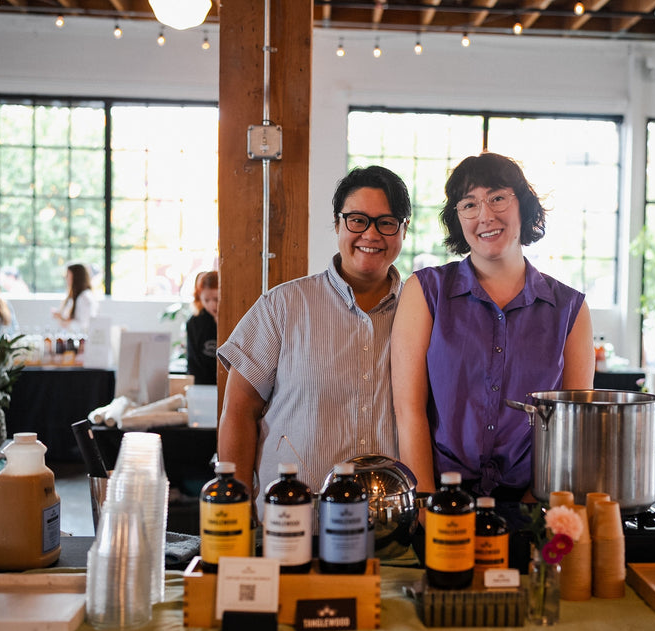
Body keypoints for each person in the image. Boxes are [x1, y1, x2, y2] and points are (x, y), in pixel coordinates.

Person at [391, 152, 594, 529]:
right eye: (469, 204)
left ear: (524, 205)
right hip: (439, 500)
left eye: (498, 197)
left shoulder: (570, 309)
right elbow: (409, 411)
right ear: (458, 218)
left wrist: (536, 507)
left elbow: (573, 427)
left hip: (533, 504)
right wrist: (427, 505)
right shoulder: (425, 291)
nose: (485, 215)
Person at [216, 166, 411, 507]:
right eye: (357, 220)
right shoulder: (284, 305)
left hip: (390, 526)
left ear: (403, 230)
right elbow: (238, 410)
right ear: (338, 224)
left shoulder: (421, 312)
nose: (371, 234)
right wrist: (237, 506)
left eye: (387, 222)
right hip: (291, 519)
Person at [186, 270, 219, 385]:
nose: (212, 305)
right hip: (203, 385)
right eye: (207, 300)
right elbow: (193, 362)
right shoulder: (194, 323)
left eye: (216, 299)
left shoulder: (234, 320)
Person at [52, 262, 99, 332]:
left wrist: (64, 321)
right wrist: (62, 318)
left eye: (68, 275)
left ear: (76, 277)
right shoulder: (76, 296)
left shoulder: (84, 297)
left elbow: (84, 325)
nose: (65, 278)